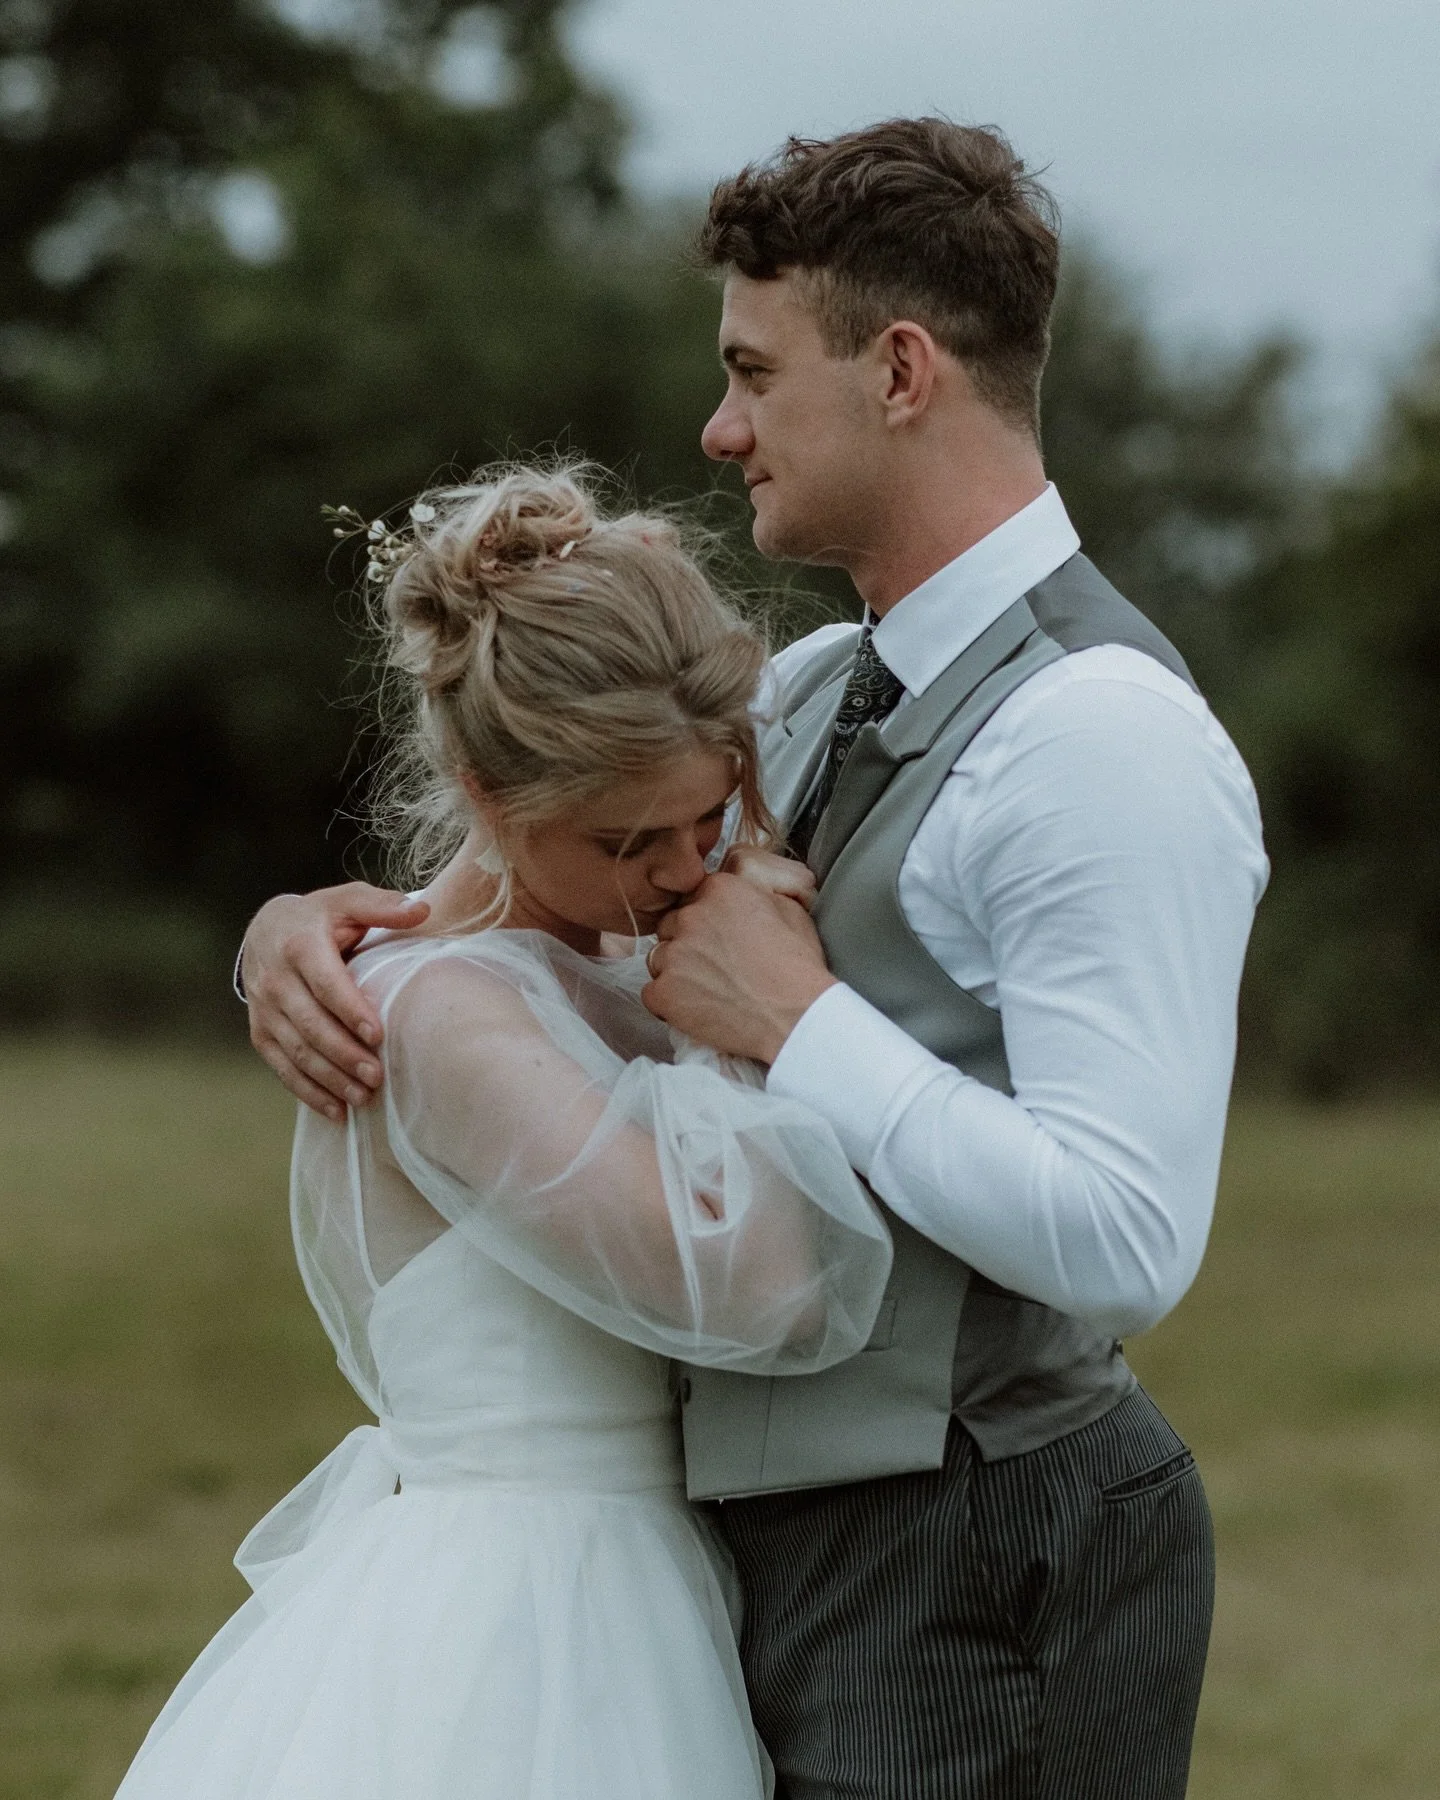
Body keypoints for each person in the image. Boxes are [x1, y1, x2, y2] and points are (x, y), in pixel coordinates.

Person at [242, 121, 1269, 1799]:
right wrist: (293, 936)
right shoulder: (803, 692)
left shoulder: (1102, 738)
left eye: (752, 372)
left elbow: (1127, 1240)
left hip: (982, 1540)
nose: (718, 429)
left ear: (903, 371)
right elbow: (551, 903)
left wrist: (804, 1026)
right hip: (767, 1546)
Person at [113, 466, 893, 1800]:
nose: (684, 869)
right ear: (487, 794)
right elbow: (756, 1282)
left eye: (714, 816)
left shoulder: (609, 947)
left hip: (645, 1582)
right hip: (519, 1619)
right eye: (628, 838)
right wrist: (735, 1012)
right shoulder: (447, 1014)